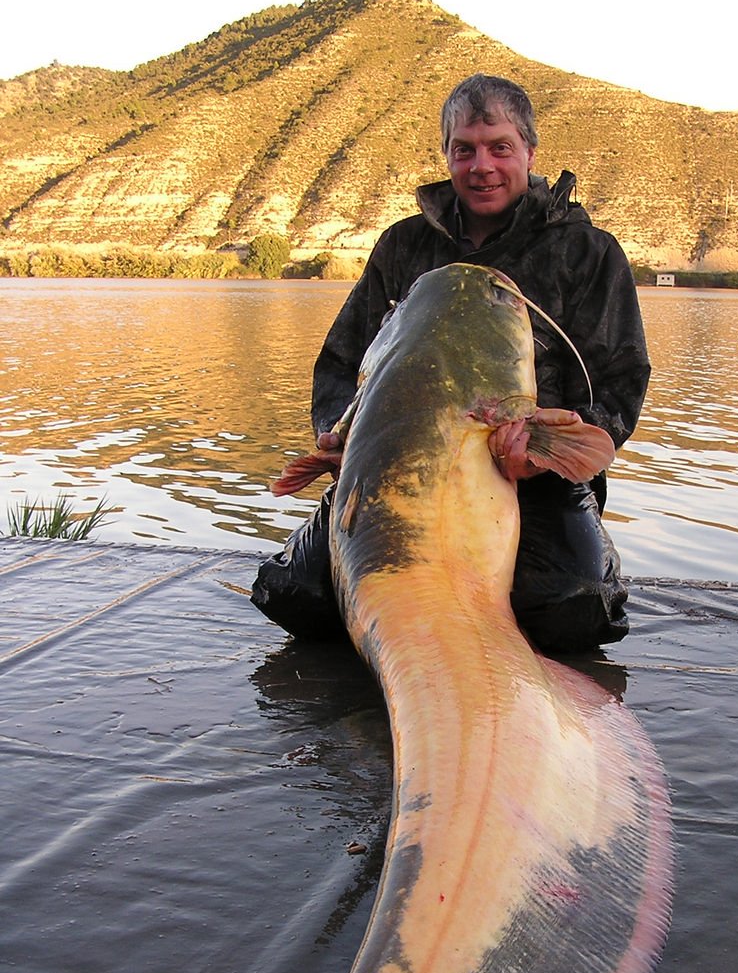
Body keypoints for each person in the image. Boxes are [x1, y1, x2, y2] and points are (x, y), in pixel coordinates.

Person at [252, 73, 652, 654]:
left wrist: (548, 447)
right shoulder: (403, 246)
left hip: (532, 474)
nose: (481, 166)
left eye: (499, 148)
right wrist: (340, 434)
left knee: (574, 609)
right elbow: (341, 359)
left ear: (529, 150)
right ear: (446, 155)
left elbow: (620, 381)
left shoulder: (587, 252)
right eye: (464, 150)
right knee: (298, 597)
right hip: (398, 472)